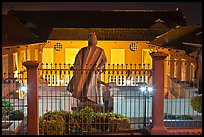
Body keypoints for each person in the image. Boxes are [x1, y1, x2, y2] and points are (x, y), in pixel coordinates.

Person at [67, 32, 107, 110]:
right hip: (83, 73)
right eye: (91, 38)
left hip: (93, 73)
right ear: (88, 40)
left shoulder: (100, 51)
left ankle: (92, 101)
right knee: (83, 87)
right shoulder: (83, 50)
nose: (92, 40)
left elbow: (104, 61)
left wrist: (99, 68)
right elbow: (77, 60)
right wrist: (76, 68)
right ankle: (84, 99)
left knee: (91, 87)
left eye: (94, 39)